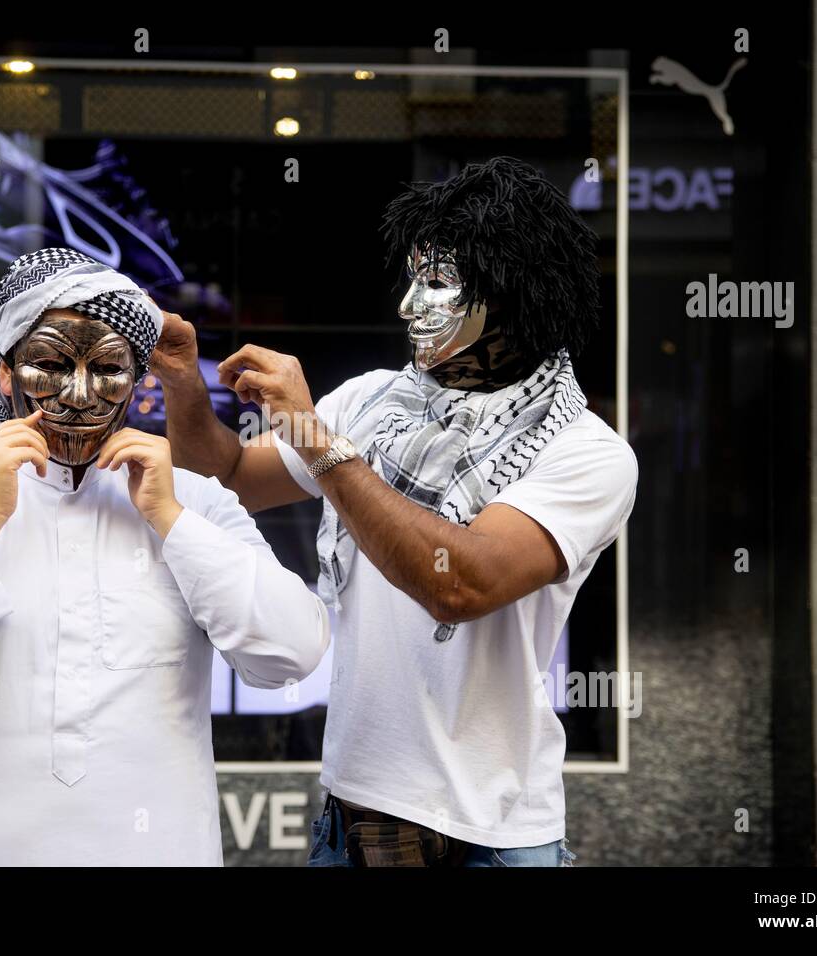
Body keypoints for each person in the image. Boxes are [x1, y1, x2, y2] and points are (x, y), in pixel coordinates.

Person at [153, 157, 638, 867]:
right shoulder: (371, 400)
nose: (410, 304)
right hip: (352, 820)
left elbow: (459, 583)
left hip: (491, 838)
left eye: (437, 283)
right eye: (412, 279)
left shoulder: (586, 451)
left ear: (510, 297)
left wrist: (314, 436)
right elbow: (227, 475)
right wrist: (181, 383)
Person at [0, 248, 329, 866]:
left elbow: (292, 655)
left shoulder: (194, 504)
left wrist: (172, 522)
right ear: (4, 374)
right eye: (50, 365)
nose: (79, 395)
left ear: (138, 381)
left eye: (107, 369)